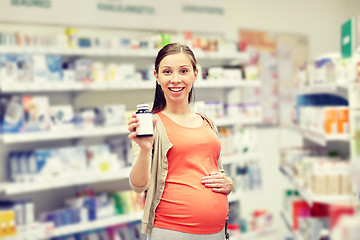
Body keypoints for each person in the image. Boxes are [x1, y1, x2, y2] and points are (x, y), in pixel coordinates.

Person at [127, 43, 234, 240]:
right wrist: (144, 150)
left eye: (183, 71)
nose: (175, 79)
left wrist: (228, 183)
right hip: (172, 231)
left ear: (195, 74)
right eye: (167, 71)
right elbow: (138, 185)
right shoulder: (150, 124)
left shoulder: (208, 122)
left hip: (217, 231)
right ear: (156, 76)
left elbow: (215, 170)